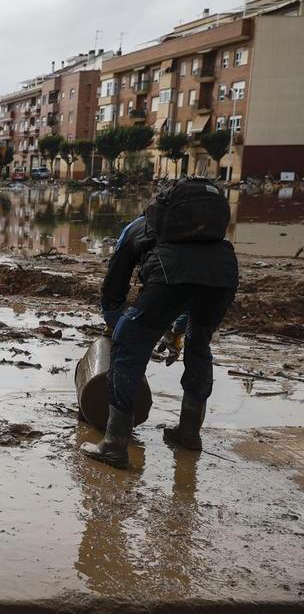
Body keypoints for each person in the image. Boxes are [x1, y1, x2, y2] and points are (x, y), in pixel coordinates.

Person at [82, 178, 238, 469]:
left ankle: (114, 445)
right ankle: (189, 433)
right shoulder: (209, 234)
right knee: (199, 342)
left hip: (171, 276)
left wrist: (116, 325)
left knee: (129, 347)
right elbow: (192, 296)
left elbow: (114, 286)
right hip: (223, 276)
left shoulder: (137, 228)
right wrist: (178, 331)